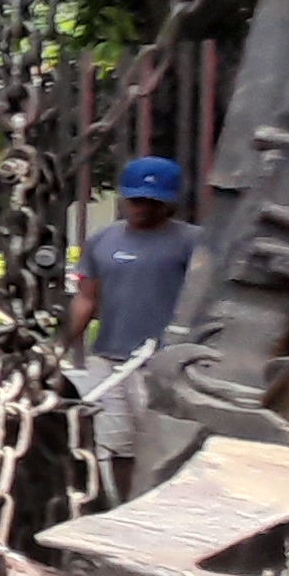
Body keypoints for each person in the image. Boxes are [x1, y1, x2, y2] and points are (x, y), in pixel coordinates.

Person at [68, 155, 202, 499]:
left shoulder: (193, 244)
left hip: (162, 367)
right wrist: (62, 344)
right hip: (109, 361)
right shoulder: (103, 241)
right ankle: (121, 505)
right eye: (137, 199)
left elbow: (205, 301)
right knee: (116, 445)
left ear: (170, 203)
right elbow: (86, 298)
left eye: (153, 201)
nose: (143, 207)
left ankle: (160, 507)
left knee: (161, 445)